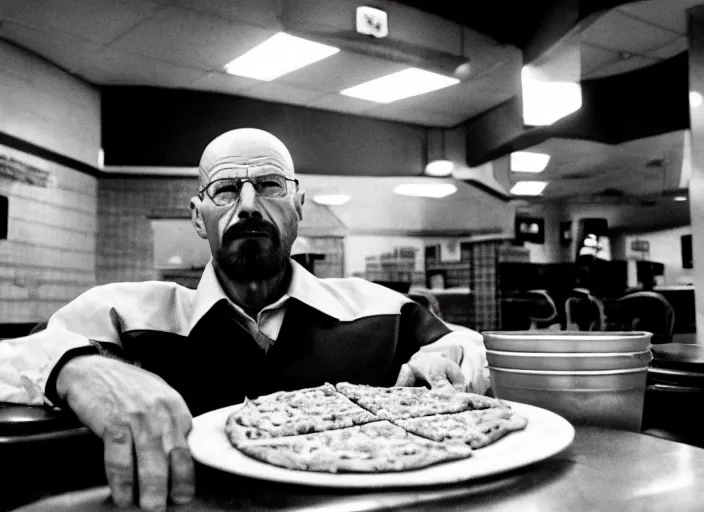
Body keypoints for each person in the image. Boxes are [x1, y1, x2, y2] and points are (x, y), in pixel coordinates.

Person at [0, 129, 487, 511]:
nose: (249, 205)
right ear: (198, 217)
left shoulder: (382, 310)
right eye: (227, 190)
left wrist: (447, 357)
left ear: (298, 207)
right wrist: (76, 367)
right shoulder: (126, 314)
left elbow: (463, 345)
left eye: (270, 187)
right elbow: (12, 357)